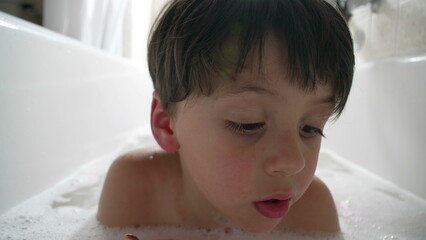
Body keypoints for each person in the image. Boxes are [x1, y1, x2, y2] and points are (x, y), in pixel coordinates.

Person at [97, 0, 354, 234]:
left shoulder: (312, 213)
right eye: (248, 124)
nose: (292, 161)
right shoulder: (135, 190)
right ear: (166, 123)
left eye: (311, 128)